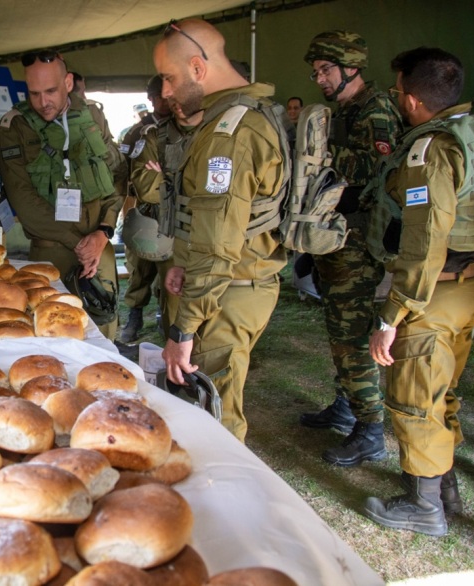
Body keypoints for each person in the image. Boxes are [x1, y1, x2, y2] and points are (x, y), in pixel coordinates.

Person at [363, 47, 474, 536]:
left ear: (412, 98)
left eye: (398, 91)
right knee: (443, 389)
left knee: (414, 395)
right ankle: (443, 489)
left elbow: (425, 245)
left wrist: (391, 318)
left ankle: (423, 507)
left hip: (435, 293)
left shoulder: (431, 150)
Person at [154, 19, 287, 442]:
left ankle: (229, 500)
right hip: (225, 283)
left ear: (197, 68)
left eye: (168, 78)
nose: (166, 92)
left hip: (226, 291)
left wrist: (183, 331)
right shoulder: (235, 117)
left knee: (217, 414)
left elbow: (218, 244)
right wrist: (182, 261)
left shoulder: (230, 133)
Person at [298, 31, 403, 467]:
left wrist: (319, 158)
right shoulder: (347, 110)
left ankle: (371, 429)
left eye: (326, 70)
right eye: (316, 71)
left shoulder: (377, 111)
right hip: (334, 238)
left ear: (351, 67)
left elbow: (373, 173)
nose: (319, 78)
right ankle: (346, 407)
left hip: (356, 242)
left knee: (351, 337)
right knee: (341, 331)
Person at [0, 51, 125, 339]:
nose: (43, 103)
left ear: (68, 82)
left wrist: (104, 231)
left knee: (102, 329)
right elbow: (22, 199)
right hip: (51, 249)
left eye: (51, 91)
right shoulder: (14, 126)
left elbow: (116, 175)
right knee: (53, 333)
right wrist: (77, 243)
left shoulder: (92, 115)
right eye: (34, 93)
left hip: (98, 246)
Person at [127, 92, 202, 340]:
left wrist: (166, 178)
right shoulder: (150, 135)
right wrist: (185, 185)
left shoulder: (214, 133)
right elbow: (147, 189)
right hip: (162, 227)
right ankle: (139, 316)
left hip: (203, 231)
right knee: (154, 282)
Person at [117, 75, 173, 344]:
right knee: (139, 268)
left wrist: (166, 175)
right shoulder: (137, 132)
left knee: (170, 270)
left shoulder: (183, 127)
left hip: (173, 214)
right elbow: (136, 180)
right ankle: (135, 316)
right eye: (160, 96)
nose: (166, 100)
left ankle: (166, 316)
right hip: (142, 210)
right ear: (151, 99)